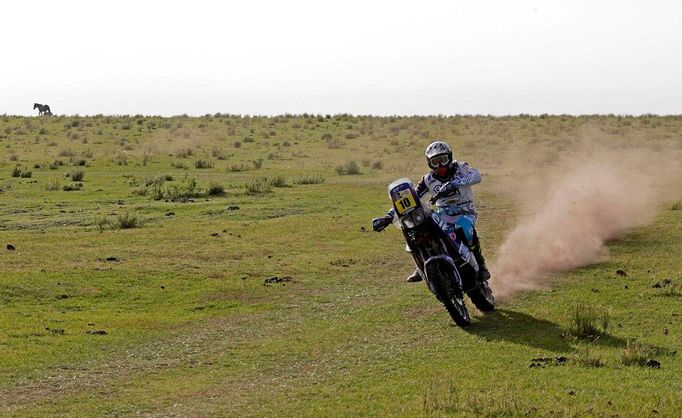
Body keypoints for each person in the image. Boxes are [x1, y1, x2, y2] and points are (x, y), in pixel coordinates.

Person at [372, 140, 490, 282]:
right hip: (443, 214)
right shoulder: (428, 180)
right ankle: (421, 266)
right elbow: (410, 198)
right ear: (429, 163)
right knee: (422, 230)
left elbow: (476, 176)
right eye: (435, 162)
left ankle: (481, 264)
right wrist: (388, 216)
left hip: (465, 212)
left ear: (450, 158)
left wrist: (454, 184)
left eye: (443, 160)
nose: (440, 166)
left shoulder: (461, 167)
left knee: (465, 228)